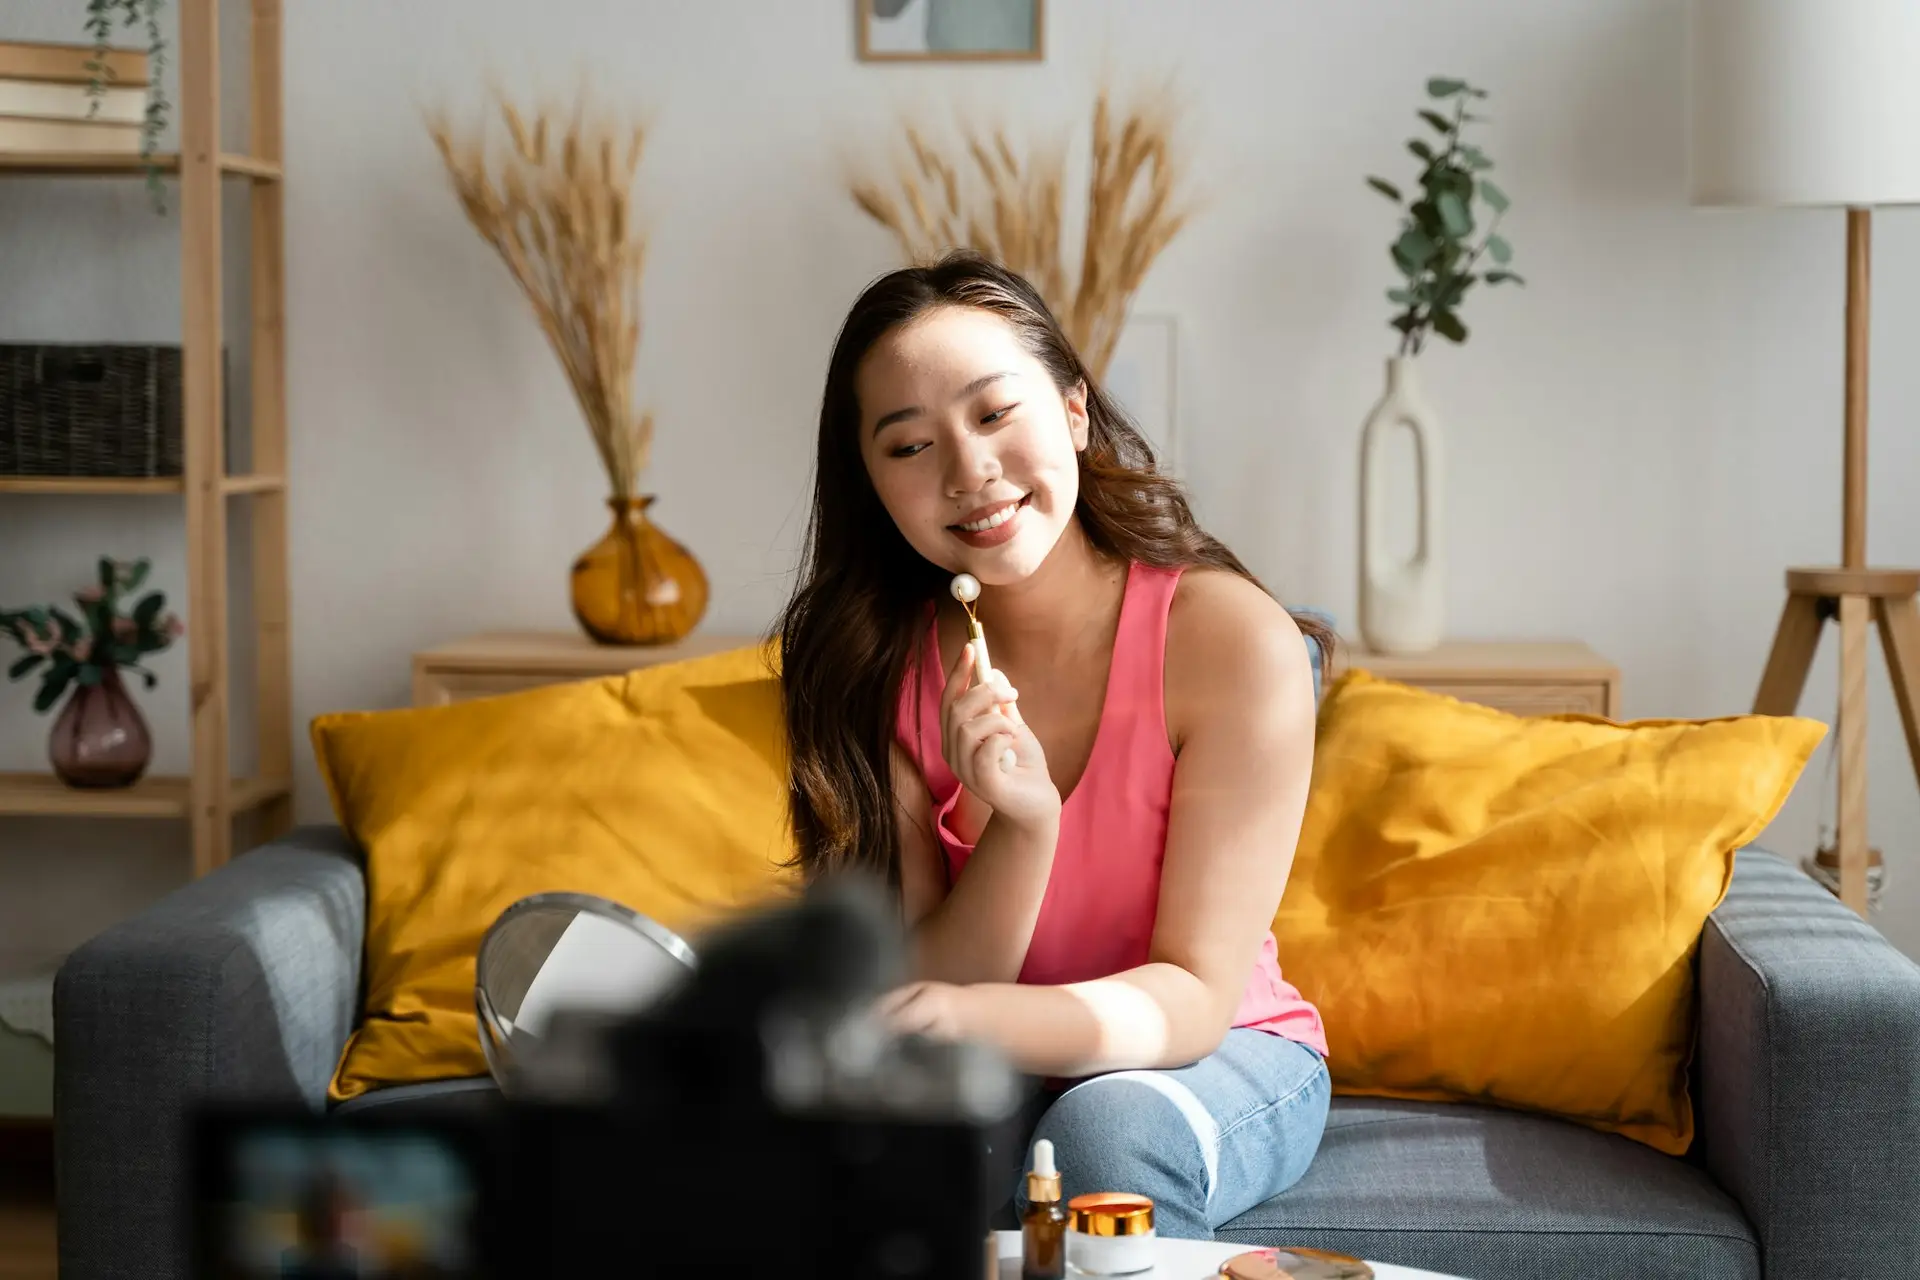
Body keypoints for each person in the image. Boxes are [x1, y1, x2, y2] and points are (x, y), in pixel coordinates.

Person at [775, 251, 1332, 1239]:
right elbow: (937, 971)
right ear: (872, 481)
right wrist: (1023, 826)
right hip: (991, 1050)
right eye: (909, 445)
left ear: (1074, 409)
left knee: (1105, 1131)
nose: (968, 471)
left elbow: (1194, 997)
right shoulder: (878, 665)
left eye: (995, 414)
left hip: (1219, 1046)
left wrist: (971, 1020)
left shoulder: (1229, 639)